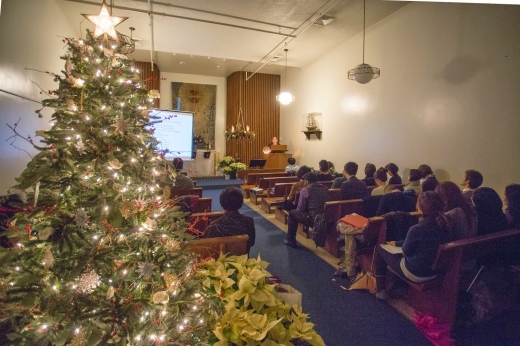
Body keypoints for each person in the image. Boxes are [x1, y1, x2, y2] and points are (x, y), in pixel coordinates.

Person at [375, 192, 449, 300]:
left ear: (420, 207)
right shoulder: (444, 224)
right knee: (398, 255)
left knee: (381, 249)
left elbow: (406, 251)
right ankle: (398, 287)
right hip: (434, 272)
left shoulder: (416, 229)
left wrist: (399, 245)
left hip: (416, 273)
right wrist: (396, 243)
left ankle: (381, 290)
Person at [285, 172, 330, 248]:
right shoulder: (325, 188)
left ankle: (290, 240)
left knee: (293, 213)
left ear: (307, 181)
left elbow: (300, 208)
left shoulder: (305, 190)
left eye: (304, 181)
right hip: (326, 217)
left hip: (314, 220)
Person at [205, 187, 256, 252]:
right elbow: (251, 243)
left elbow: (211, 247)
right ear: (240, 203)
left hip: (220, 261)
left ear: (221, 203)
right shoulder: (249, 221)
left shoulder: (214, 225)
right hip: (243, 260)